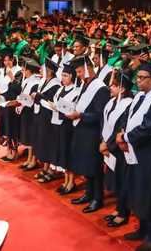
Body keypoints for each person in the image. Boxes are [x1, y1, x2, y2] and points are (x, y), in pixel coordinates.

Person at [116, 62, 151, 251]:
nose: (138, 81)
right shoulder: (140, 96)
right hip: (135, 150)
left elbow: (150, 127)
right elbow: (127, 117)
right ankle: (142, 229)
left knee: (150, 194)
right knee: (137, 190)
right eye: (137, 77)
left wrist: (125, 137)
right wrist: (122, 132)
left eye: (142, 78)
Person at [68, 55, 110, 213]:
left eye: (79, 71)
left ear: (88, 69)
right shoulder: (86, 84)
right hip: (82, 129)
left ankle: (97, 198)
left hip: (93, 133)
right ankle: (88, 193)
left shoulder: (100, 88)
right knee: (85, 165)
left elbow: (100, 115)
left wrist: (80, 116)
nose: (78, 75)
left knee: (94, 167)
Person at [100, 70, 134, 227]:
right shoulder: (111, 102)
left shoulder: (128, 105)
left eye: (113, 85)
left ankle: (123, 212)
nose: (110, 88)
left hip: (120, 149)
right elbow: (104, 123)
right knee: (115, 179)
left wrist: (109, 145)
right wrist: (103, 141)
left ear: (122, 88)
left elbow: (121, 128)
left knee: (123, 180)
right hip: (109, 147)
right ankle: (118, 208)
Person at [52, 63, 80, 195]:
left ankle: (71, 182)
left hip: (69, 125)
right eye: (62, 75)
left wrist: (59, 107)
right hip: (58, 123)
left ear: (72, 76)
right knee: (62, 152)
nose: (63, 78)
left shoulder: (76, 91)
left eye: (66, 75)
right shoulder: (60, 89)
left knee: (69, 153)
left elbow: (73, 108)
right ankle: (65, 180)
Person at [0, 51, 23, 161]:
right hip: (2, 102)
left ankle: (15, 151)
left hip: (12, 102)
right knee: (4, 126)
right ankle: (7, 150)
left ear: (13, 60)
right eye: (5, 60)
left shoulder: (18, 71)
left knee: (12, 127)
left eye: (9, 60)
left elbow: (18, 88)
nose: (7, 63)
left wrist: (11, 77)